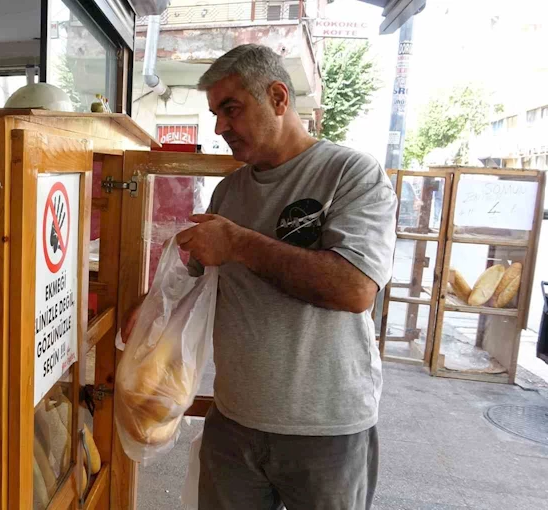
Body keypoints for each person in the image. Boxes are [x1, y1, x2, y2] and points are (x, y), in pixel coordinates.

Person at [124, 44, 397, 510]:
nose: (220, 127)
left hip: (327, 430)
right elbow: (192, 278)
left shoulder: (349, 173)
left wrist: (240, 244)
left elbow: (354, 288)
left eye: (231, 109)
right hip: (234, 422)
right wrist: (148, 313)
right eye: (214, 113)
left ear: (277, 97)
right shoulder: (229, 191)